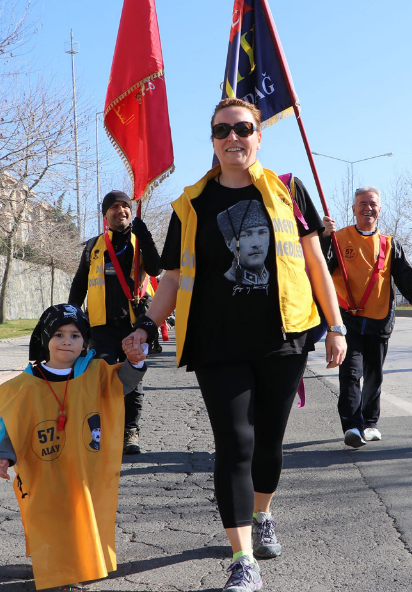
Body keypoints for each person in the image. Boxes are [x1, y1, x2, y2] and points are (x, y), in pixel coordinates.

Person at [122, 98, 347, 592]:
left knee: (268, 442)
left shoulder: (288, 192)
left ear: (258, 137)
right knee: (235, 443)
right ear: (213, 139)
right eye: (222, 130)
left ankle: (262, 512)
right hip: (216, 343)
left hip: (283, 339)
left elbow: (315, 264)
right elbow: (173, 278)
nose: (233, 137)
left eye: (243, 128)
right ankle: (243, 557)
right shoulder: (190, 203)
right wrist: (144, 326)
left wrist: (336, 326)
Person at [0, 304, 147, 591]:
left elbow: (122, 381)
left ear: (84, 341)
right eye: (59, 334)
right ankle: (61, 572)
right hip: (44, 470)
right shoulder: (26, 383)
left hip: (85, 470)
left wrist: (134, 362)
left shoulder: (96, 372)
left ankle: (72, 568)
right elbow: (12, 422)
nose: (67, 341)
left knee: (79, 516)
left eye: (75, 335)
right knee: (50, 518)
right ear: (45, 339)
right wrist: (4, 454)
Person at [322, 188, 412, 448]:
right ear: (353, 209)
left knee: (374, 376)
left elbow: (406, 275)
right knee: (350, 374)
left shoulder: (389, 243)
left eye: (372, 204)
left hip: (379, 319)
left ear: (379, 209)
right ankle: (352, 426)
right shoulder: (339, 238)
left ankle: (370, 423)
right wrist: (325, 237)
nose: (367, 208)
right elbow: (322, 268)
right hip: (347, 321)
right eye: (362, 204)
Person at [68, 190, 160, 455]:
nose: (121, 211)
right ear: (105, 214)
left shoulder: (139, 241)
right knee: (103, 380)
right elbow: (79, 283)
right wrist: (72, 317)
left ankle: (130, 432)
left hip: (135, 325)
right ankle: (105, 430)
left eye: (125, 207)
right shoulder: (93, 246)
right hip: (101, 326)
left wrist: (147, 237)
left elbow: (155, 270)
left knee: (133, 381)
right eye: (114, 207)